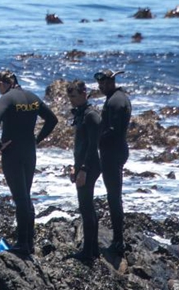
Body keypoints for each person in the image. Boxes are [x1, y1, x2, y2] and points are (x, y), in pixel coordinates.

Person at [0, 70, 58, 255]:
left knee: (20, 198)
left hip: (12, 153)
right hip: (29, 152)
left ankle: (21, 244)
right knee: (25, 196)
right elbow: (52, 119)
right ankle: (28, 242)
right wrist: (37, 139)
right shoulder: (32, 97)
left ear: (4, 83)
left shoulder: (8, 98)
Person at [94, 69, 132, 254]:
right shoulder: (117, 97)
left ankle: (118, 240)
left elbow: (114, 131)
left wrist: (95, 140)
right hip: (116, 150)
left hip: (113, 152)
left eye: (104, 83)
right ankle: (118, 237)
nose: (101, 87)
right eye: (100, 84)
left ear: (112, 82)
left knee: (113, 197)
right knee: (113, 195)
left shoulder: (116, 101)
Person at [66, 80, 102, 261]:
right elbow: (80, 145)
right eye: (69, 97)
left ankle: (89, 251)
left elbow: (93, 146)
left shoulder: (91, 115)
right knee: (86, 206)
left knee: (86, 207)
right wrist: (75, 166)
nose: (71, 100)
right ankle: (93, 249)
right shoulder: (81, 114)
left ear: (83, 94)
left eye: (73, 96)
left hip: (91, 166)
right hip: (82, 165)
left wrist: (84, 170)